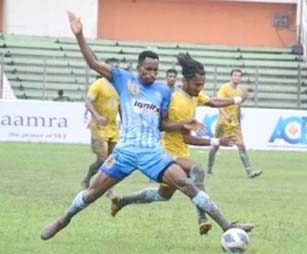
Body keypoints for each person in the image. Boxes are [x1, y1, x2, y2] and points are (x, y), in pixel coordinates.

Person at [40, 11, 254, 241]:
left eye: (155, 70)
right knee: (93, 193)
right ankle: (64, 220)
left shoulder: (162, 92)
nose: (152, 74)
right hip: (125, 151)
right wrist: (80, 35)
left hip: (152, 152)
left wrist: (183, 123)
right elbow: (93, 62)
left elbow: (162, 124)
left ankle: (227, 226)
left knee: (186, 184)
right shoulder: (123, 79)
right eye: (148, 69)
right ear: (139, 68)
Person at [110, 53, 250, 235]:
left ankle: (122, 201)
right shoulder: (176, 100)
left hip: (181, 152)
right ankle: (203, 218)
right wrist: (217, 141)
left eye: (202, 85)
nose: (200, 89)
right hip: (166, 152)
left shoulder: (193, 95)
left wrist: (238, 99)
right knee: (197, 171)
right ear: (185, 81)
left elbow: (213, 101)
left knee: (163, 195)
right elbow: (186, 137)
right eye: (197, 85)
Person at [207, 69, 262, 179]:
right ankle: (209, 170)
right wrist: (225, 115)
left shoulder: (240, 90)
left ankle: (249, 171)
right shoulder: (224, 88)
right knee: (215, 146)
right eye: (235, 75)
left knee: (241, 146)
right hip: (222, 123)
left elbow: (239, 105)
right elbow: (218, 103)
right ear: (231, 76)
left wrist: (245, 94)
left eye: (239, 76)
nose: (237, 77)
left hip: (234, 124)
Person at [80, 57, 121, 190]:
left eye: (116, 67)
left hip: (113, 128)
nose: (113, 69)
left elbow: (120, 105)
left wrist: (126, 121)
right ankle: (105, 188)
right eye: (111, 67)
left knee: (111, 160)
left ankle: (87, 178)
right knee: (103, 160)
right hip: (98, 128)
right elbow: (88, 102)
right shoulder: (98, 84)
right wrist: (97, 116)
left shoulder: (119, 85)